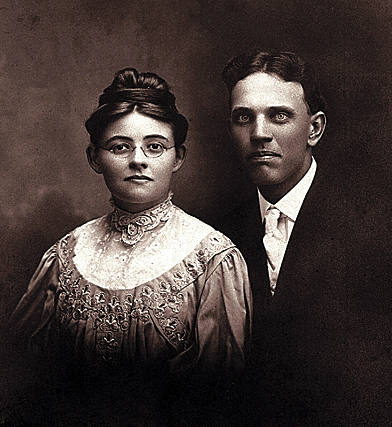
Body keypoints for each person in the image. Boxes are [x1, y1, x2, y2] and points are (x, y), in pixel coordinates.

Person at [7, 68, 252, 427]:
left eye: (154, 146)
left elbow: (216, 399)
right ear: (95, 158)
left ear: (178, 157)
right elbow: (19, 380)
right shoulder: (64, 256)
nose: (138, 159)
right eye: (120, 147)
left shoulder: (213, 259)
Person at [215, 50, 392, 426]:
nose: (259, 133)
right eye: (243, 118)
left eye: (279, 116)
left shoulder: (378, 225)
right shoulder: (215, 236)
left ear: (314, 129)